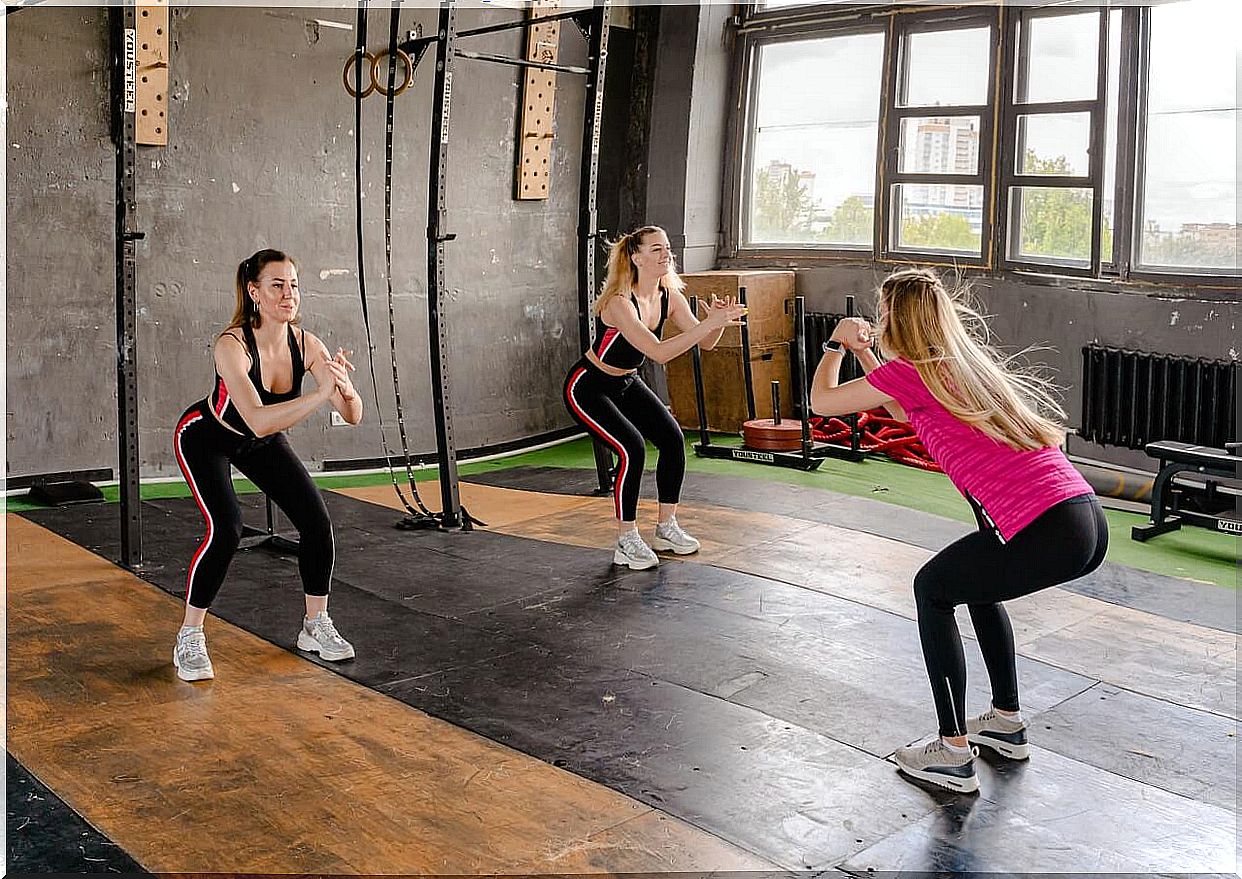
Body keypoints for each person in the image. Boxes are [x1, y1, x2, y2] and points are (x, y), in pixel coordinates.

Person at [809, 267, 1107, 793]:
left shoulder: (916, 372)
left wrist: (834, 342)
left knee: (933, 588)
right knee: (976, 586)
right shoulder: (958, 367)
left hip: (1046, 525)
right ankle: (1005, 722)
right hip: (1081, 518)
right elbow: (902, 407)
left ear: (895, 319)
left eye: (882, 315)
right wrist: (864, 355)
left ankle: (950, 751)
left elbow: (823, 403)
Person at [170, 248, 364, 682]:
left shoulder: (307, 343)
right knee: (227, 528)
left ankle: (315, 625)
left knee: (317, 523)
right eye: (277, 285)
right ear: (254, 291)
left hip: (261, 441)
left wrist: (345, 390)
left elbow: (353, 416)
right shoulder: (232, 344)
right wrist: (319, 394)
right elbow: (257, 420)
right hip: (207, 437)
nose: (288, 294)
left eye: (293, 285)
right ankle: (190, 635)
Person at [563, 226, 746, 570]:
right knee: (631, 448)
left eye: (668, 248)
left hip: (625, 382)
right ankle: (627, 539)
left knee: (672, 440)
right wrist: (709, 325)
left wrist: (714, 322)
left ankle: (666, 527)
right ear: (636, 257)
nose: (667, 254)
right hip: (587, 386)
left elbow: (706, 344)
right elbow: (659, 353)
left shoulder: (668, 295)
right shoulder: (619, 303)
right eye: (657, 249)